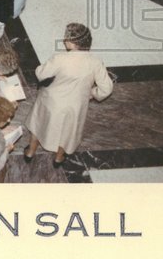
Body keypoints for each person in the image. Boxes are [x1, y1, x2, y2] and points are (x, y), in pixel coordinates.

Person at [24, 22, 113, 168]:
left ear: (72, 44)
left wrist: (41, 66)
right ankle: (59, 157)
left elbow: (41, 74)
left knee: (39, 124)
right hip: (75, 105)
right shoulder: (95, 62)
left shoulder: (60, 59)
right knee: (68, 132)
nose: (64, 41)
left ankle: (30, 151)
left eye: (66, 39)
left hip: (51, 101)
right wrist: (92, 93)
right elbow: (107, 88)